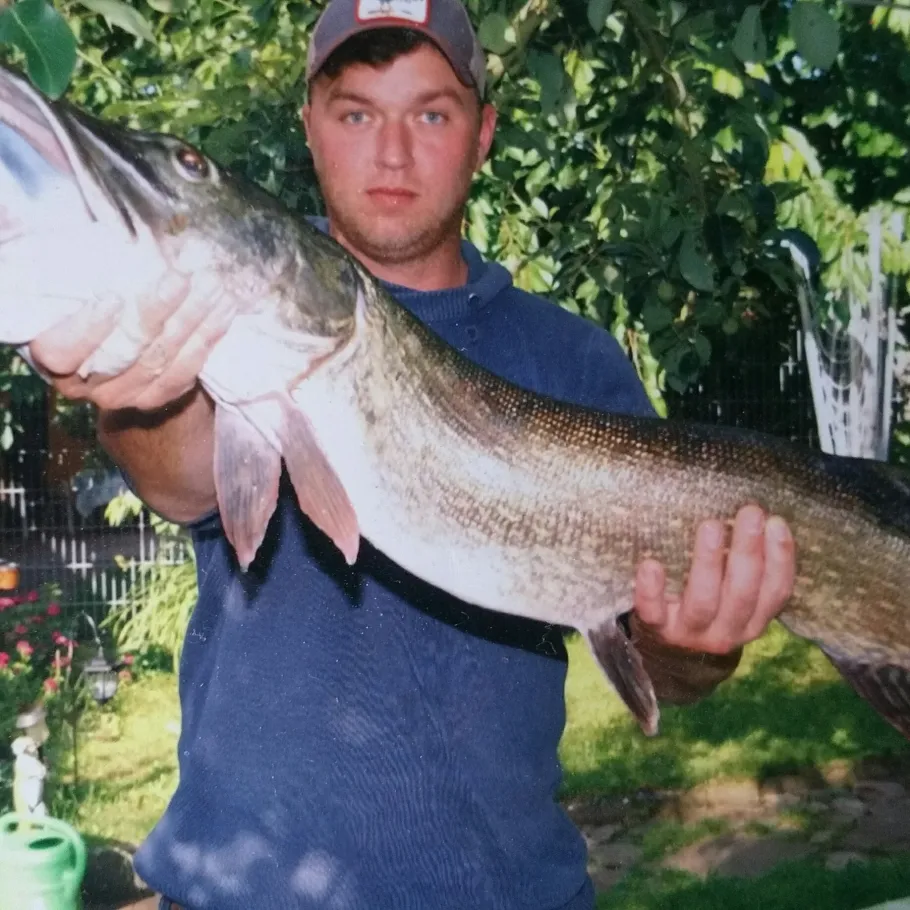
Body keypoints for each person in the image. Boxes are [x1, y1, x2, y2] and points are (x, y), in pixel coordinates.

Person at [29, 0, 796, 906]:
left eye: (431, 113)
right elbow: (184, 477)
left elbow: (668, 667)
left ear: (482, 136)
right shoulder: (222, 329)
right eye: (357, 112)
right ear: (310, 128)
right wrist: (142, 388)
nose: (392, 153)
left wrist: (693, 645)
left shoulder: (575, 360)